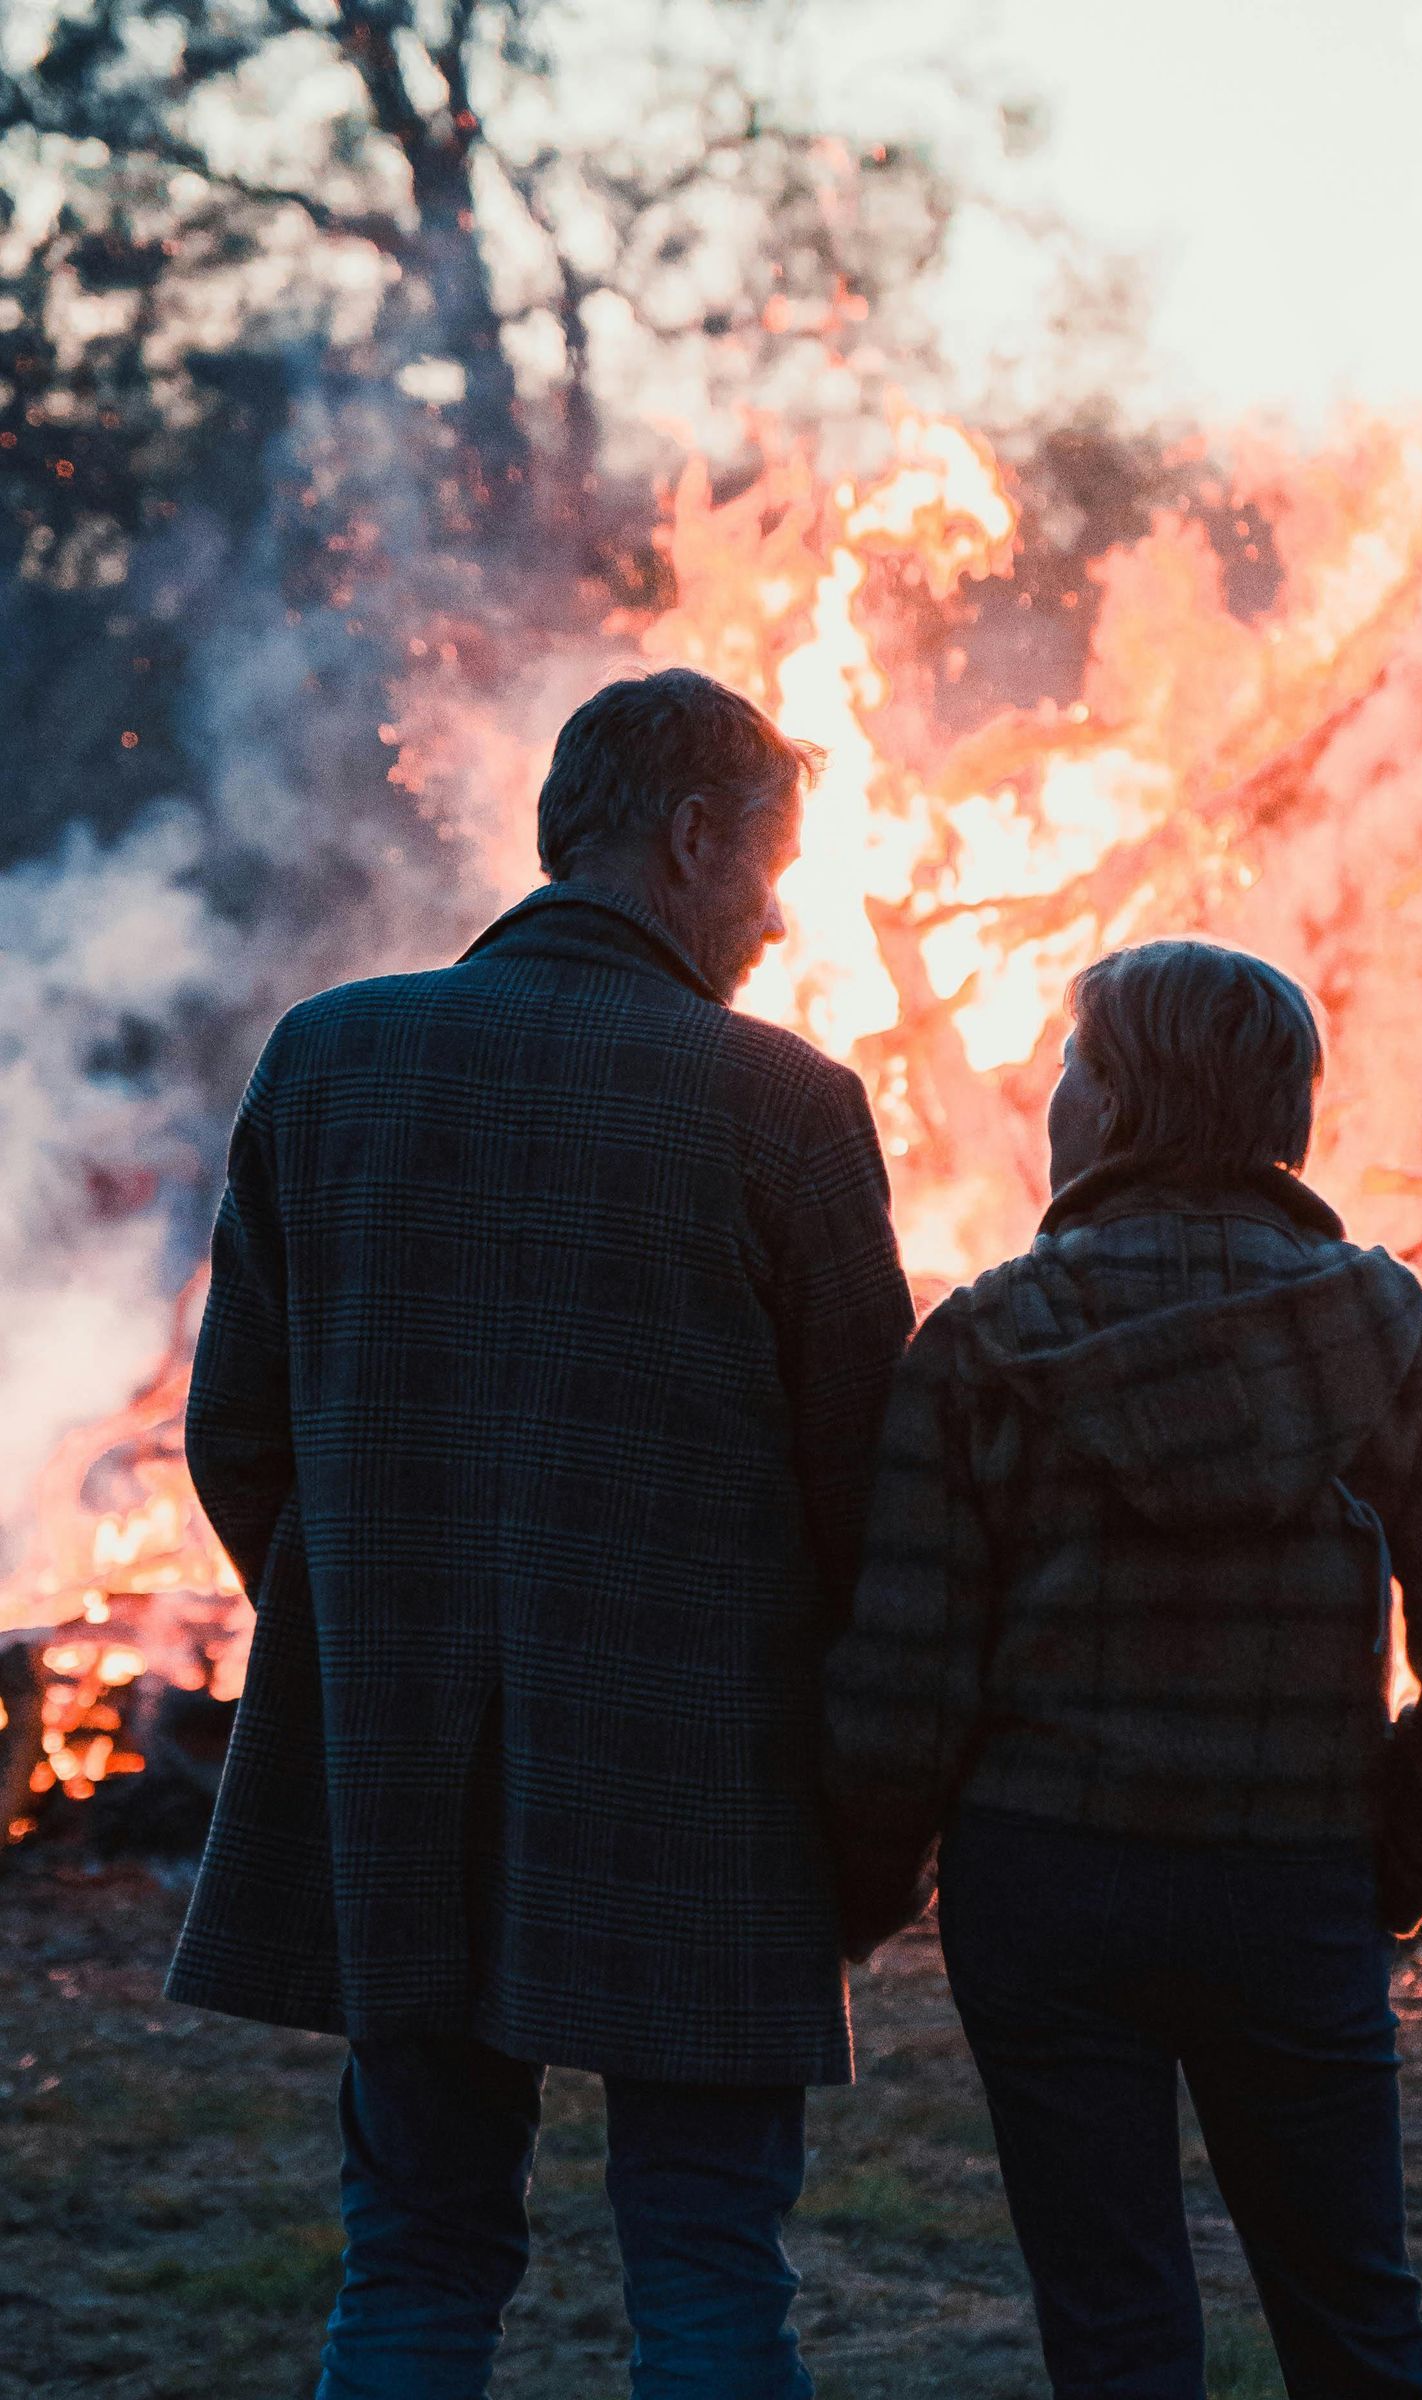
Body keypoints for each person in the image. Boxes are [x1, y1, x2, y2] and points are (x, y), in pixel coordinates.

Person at [168, 668, 915, 2400]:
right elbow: (865, 1481)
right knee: (715, 2276)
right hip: (703, 1786)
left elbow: (237, 1436)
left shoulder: (330, 1059)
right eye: (772, 868)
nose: (781, 914)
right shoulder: (785, 1108)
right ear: (693, 836)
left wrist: (371, 1622)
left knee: (417, 2262)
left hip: (401, 1764)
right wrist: (860, 1771)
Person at [824, 938, 1422, 2400]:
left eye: (1076, 1065)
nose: (1057, 1095)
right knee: (1356, 2317)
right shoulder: (1390, 1329)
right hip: (1287, 1889)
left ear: (1124, 1107)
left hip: (1048, 1894)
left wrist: (866, 1887)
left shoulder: (981, 1343)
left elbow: (904, 1681)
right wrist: (1375, 1870)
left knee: (1115, 2333)